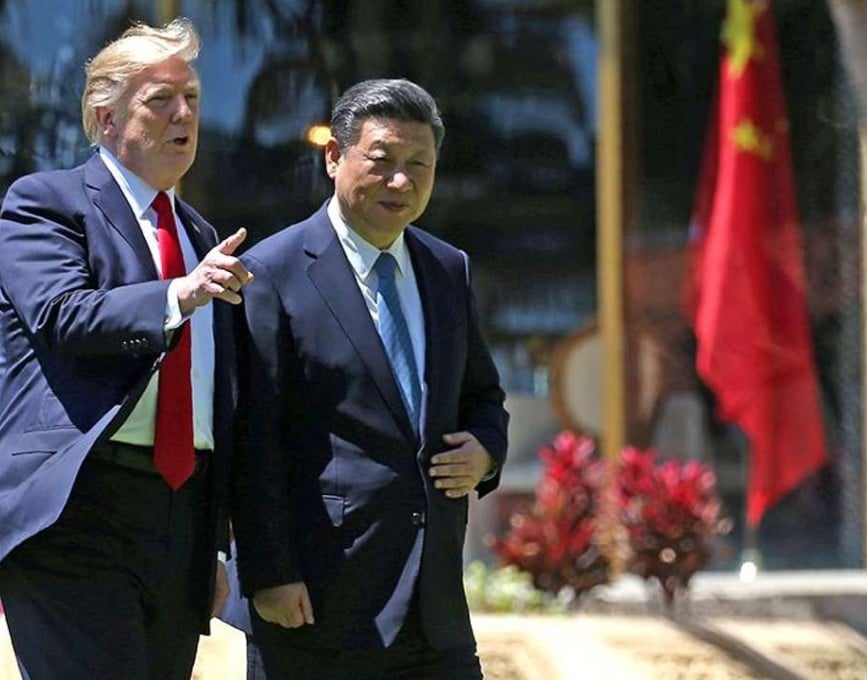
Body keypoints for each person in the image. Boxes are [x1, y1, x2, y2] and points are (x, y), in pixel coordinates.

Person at [231, 78, 509, 679]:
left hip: (434, 610)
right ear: (334, 157)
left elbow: (483, 397)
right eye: (382, 162)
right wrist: (269, 573)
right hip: (317, 606)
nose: (401, 182)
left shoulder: (446, 268)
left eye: (420, 165)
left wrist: (485, 452)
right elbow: (254, 440)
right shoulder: (271, 273)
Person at [0, 17, 252, 680]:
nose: (185, 114)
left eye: (193, 98)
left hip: (179, 520)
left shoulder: (201, 234)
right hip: (76, 508)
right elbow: (63, 314)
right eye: (161, 99)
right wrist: (180, 295)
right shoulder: (44, 204)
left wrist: (216, 550)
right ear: (106, 119)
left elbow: (217, 401)